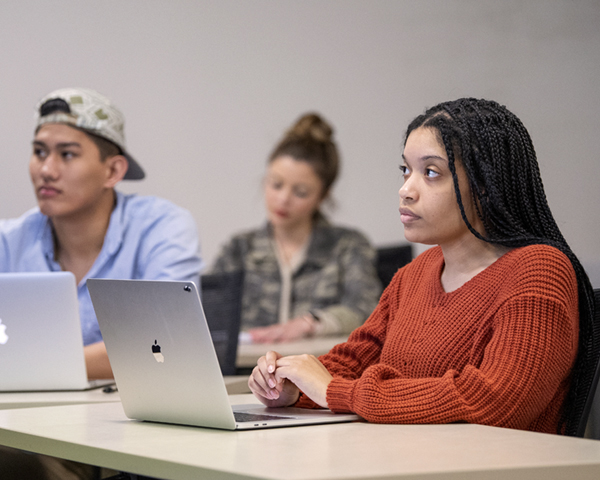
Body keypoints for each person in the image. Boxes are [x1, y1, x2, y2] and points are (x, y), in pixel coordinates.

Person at [248, 98, 595, 435]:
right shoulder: (414, 274)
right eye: (405, 170)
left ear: (485, 187)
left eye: (431, 172)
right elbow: (354, 362)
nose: (405, 190)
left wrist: (333, 392)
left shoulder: (539, 270)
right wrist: (292, 383)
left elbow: (497, 400)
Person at [0, 87, 203, 379]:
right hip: (31, 409)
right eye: (39, 152)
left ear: (113, 171)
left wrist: (29, 364)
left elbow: (165, 340)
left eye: (67, 154)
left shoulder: (162, 227)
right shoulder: (9, 241)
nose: (46, 169)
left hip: (134, 411)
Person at [210, 113, 381, 343]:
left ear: (323, 196)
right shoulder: (239, 249)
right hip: (248, 372)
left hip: (321, 370)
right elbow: (206, 315)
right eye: (276, 184)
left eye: (300, 192)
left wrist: (311, 324)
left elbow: (366, 308)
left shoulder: (347, 246)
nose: (283, 199)